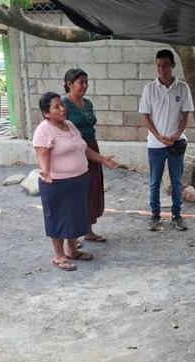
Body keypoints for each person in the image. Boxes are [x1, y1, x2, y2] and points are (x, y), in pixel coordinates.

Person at [33, 92, 118, 271]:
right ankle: (59, 256)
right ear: (46, 113)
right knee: (58, 219)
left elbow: (83, 148)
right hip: (56, 183)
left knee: (76, 216)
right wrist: (46, 172)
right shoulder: (44, 129)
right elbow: (42, 155)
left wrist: (102, 159)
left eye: (61, 105)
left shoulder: (70, 125)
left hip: (79, 180)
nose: (62, 109)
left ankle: (72, 250)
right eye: (57, 107)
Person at [139, 49, 195, 231]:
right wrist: (158, 136)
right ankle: (155, 216)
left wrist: (177, 134)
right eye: (158, 65)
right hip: (155, 144)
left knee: (176, 181)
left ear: (172, 66)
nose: (161, 69)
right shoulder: (150, 89)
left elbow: (186, 115)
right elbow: (146, 117)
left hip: (176, 143)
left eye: (165, 65)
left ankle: (176, 215)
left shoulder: (182, 88)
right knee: (155, 182)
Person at [61, 68, 108, 243]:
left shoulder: (87, 103)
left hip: (92, 147)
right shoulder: (64, 105)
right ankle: (71, 237)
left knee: (91, 188)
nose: (85, 86)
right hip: (73, 151)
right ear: (69, 84)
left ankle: (88, 230)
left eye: (86, 82)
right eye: (81, 82)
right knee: (76, 191)